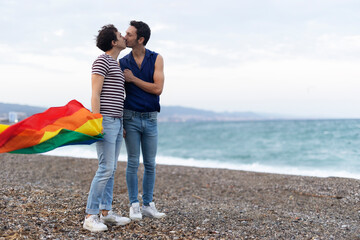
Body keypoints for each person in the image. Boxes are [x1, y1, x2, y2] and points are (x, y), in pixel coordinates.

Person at [83, 24, 131, 232]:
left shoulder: (116, 64)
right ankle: (90, 215)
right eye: (120, 35)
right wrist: (97, 122)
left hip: (117, 122)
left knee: (111, 170)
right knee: (105, 169)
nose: (123, 37)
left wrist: (120, 124)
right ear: (113, 42)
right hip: (106, 121)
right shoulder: (101, 61)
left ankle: (106, 212)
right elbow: (95, 93)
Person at [119, 20, 166, 220]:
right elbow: (117, 93)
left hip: (151, 119)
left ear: (141, 39)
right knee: (132, 163)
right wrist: (119, 122)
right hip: (130, 117)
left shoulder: (157, 58)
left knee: (150, 164)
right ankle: (134, 205)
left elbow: (158, 89)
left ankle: (148, 204)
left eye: (129, 34)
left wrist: (133, 80)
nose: (124, 36)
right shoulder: (122, 62)